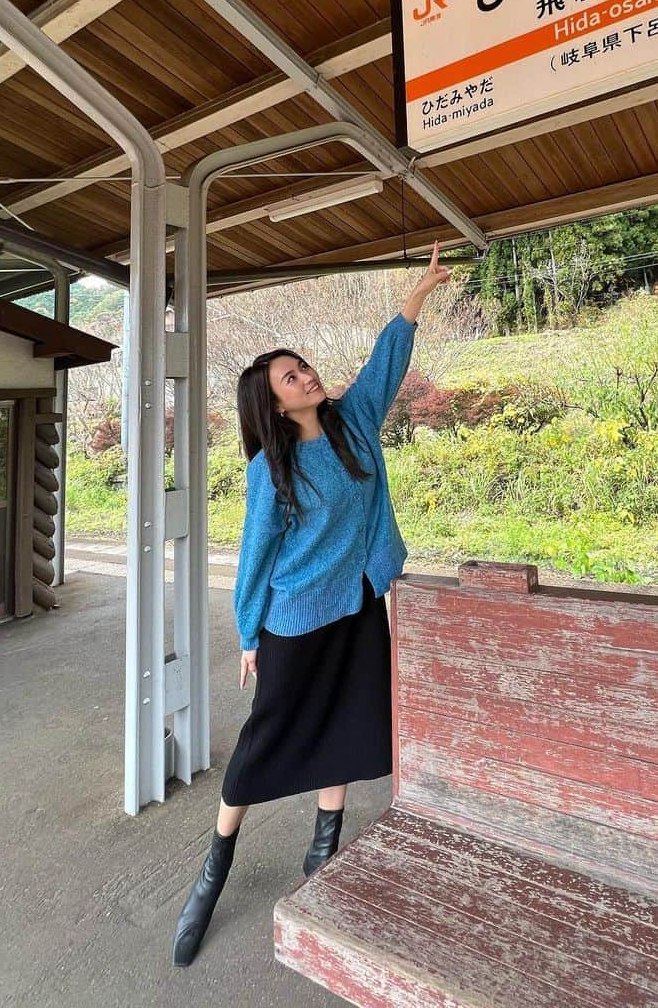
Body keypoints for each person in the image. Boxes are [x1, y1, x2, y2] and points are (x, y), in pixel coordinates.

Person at [172, 242, 451, 967]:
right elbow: (256, 552)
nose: (306, 375)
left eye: (302, 367)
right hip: (294, 620)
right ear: (275, 401)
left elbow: (387, 362)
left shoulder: (353, 422)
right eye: (292, 375)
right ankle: (214, 868)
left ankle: (322, 847)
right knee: (267, 737)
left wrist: (416, 294)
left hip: (358, 607)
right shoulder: (272, 467)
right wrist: (247, 632)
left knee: (346, 728)